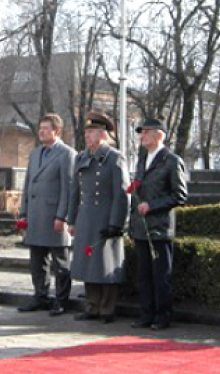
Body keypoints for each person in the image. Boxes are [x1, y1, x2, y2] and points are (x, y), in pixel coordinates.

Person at [67, 112, 129, 324]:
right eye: (86, 132)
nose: (87, 135)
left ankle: (107, 309)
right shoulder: (81, 157)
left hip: (105, 216)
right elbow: (74, 191)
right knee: (87, 263)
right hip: (86, 217)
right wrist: (72, 219)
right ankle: (91, 306)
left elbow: (120, 194)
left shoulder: (114, 157)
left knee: (105, 264)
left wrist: (116, 223)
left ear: (103, 134)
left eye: (92, 132)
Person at [128, 118, 188, 331]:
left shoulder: (171, 161)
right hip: (142, 227)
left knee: (161, 275)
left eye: (146, 132)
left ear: (159, 135)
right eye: (141, 132)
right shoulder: (142, 160)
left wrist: (152, 206)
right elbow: (137, 195)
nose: (141, 136)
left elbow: (180, 195)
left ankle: (163, 316)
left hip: (160, 228)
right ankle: (146, 313)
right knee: (143, 275)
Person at [17, 113, 76, 316]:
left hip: (54, 216)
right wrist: (23, 212)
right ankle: (40, 296)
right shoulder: (35, 153)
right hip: (35, 214)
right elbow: (28, 184)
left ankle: (61, 300)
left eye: (46, 128)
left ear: (56, 131)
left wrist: (62, 216)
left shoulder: (67, 154)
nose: (41, 131)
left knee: (60, 262)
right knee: (37, 261)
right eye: (40, 127)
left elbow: (68, 189)